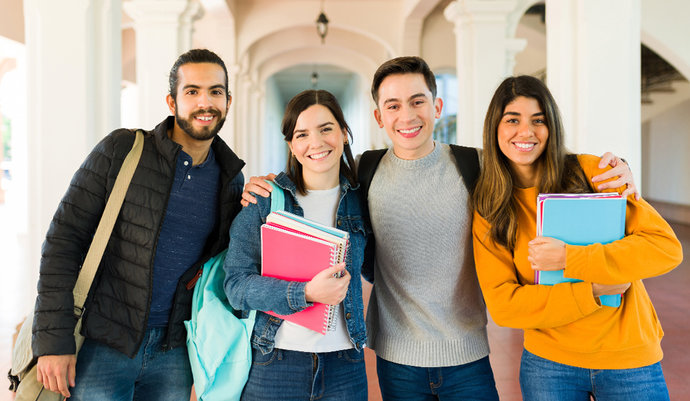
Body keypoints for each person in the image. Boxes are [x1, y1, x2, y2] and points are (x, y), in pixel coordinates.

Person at [241, 56, 637, 400]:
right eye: (393, 106)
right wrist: (265, 183)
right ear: (379, 117)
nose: (407, 116)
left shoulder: (476, 165)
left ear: (437, 106)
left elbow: (535, 158)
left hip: (468, 355)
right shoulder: (365, 169)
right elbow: (315, 169)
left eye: (418, 102)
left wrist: (611, 166)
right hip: (396, 359)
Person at [31, 49, 245, 400]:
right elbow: (62, 242)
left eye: (215, 91)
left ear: (228, 101)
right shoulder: (122, 150)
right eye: (191, 91)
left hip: (173, 352)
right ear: (172, 101)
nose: (205, 102)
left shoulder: (230, 180)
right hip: (102, 344)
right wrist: (53, 340)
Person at [472, 75, 683, 401]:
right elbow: (504, 306)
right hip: (549, 363)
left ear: (551, 127)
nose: (526, 132)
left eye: (538, 121)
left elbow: (664, 248)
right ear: (494, 128)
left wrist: (570, 258)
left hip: (628, 356)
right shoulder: (491, 206)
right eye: (512, 119)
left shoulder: (592, 172)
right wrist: (594, 290)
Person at [223, 89, 370, 401]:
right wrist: (303, 293)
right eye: (302, 134)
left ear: (344, 134)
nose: (315, 143)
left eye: (326, 129)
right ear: (291, 144)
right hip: (275, 363)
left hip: (345, 365)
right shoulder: (265, 200)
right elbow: (236, 286)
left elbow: (374, 267)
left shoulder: (363, 200)